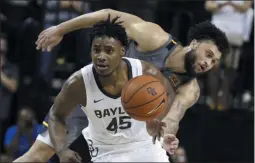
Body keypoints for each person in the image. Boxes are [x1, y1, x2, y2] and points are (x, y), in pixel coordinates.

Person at [14, 16, 178, 162]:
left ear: (122, 51)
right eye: (96, 49)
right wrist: (62, 150)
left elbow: (169, 93)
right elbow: (56, 115)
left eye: (109, 50)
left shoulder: (144, 73)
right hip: (107, 153)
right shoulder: (78, 83)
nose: (101, 56)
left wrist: (157, 119)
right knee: (35, 156)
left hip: (146, 149)